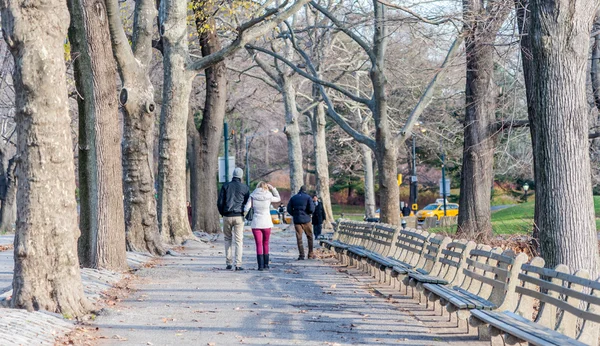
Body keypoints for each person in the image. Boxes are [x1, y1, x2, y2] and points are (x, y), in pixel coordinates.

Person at [217, 167, 249, 271]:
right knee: (239, 240)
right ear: (241, 176)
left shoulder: (226, 186)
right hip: (239, 215)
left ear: (233, 175)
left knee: (227, 239)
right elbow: (247, 202)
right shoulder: (245, 187)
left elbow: (220, 202)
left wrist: (223, 213)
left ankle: (228, 262)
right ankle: (238, 264)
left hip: (227, 215)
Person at [244, 181, 280, 271]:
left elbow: (246, 208)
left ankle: (260, 266)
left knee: (258, 244)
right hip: (267, 222)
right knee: (266, 243)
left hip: (256, 222)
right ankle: (266, 265)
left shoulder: (252, 196)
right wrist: (273, 188)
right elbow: (278, 198)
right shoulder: (269, 196)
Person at [287, 186, 315, 260]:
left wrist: (294, 214)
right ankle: (310, 254)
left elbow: (289, 209)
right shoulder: (308, 197)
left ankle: (301, 255)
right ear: (306, 190)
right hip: (306, 220)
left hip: (297, 220)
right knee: (310, 236)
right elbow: (312, 209)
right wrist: (308, 213)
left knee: (299, 237)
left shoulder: (293, 198)